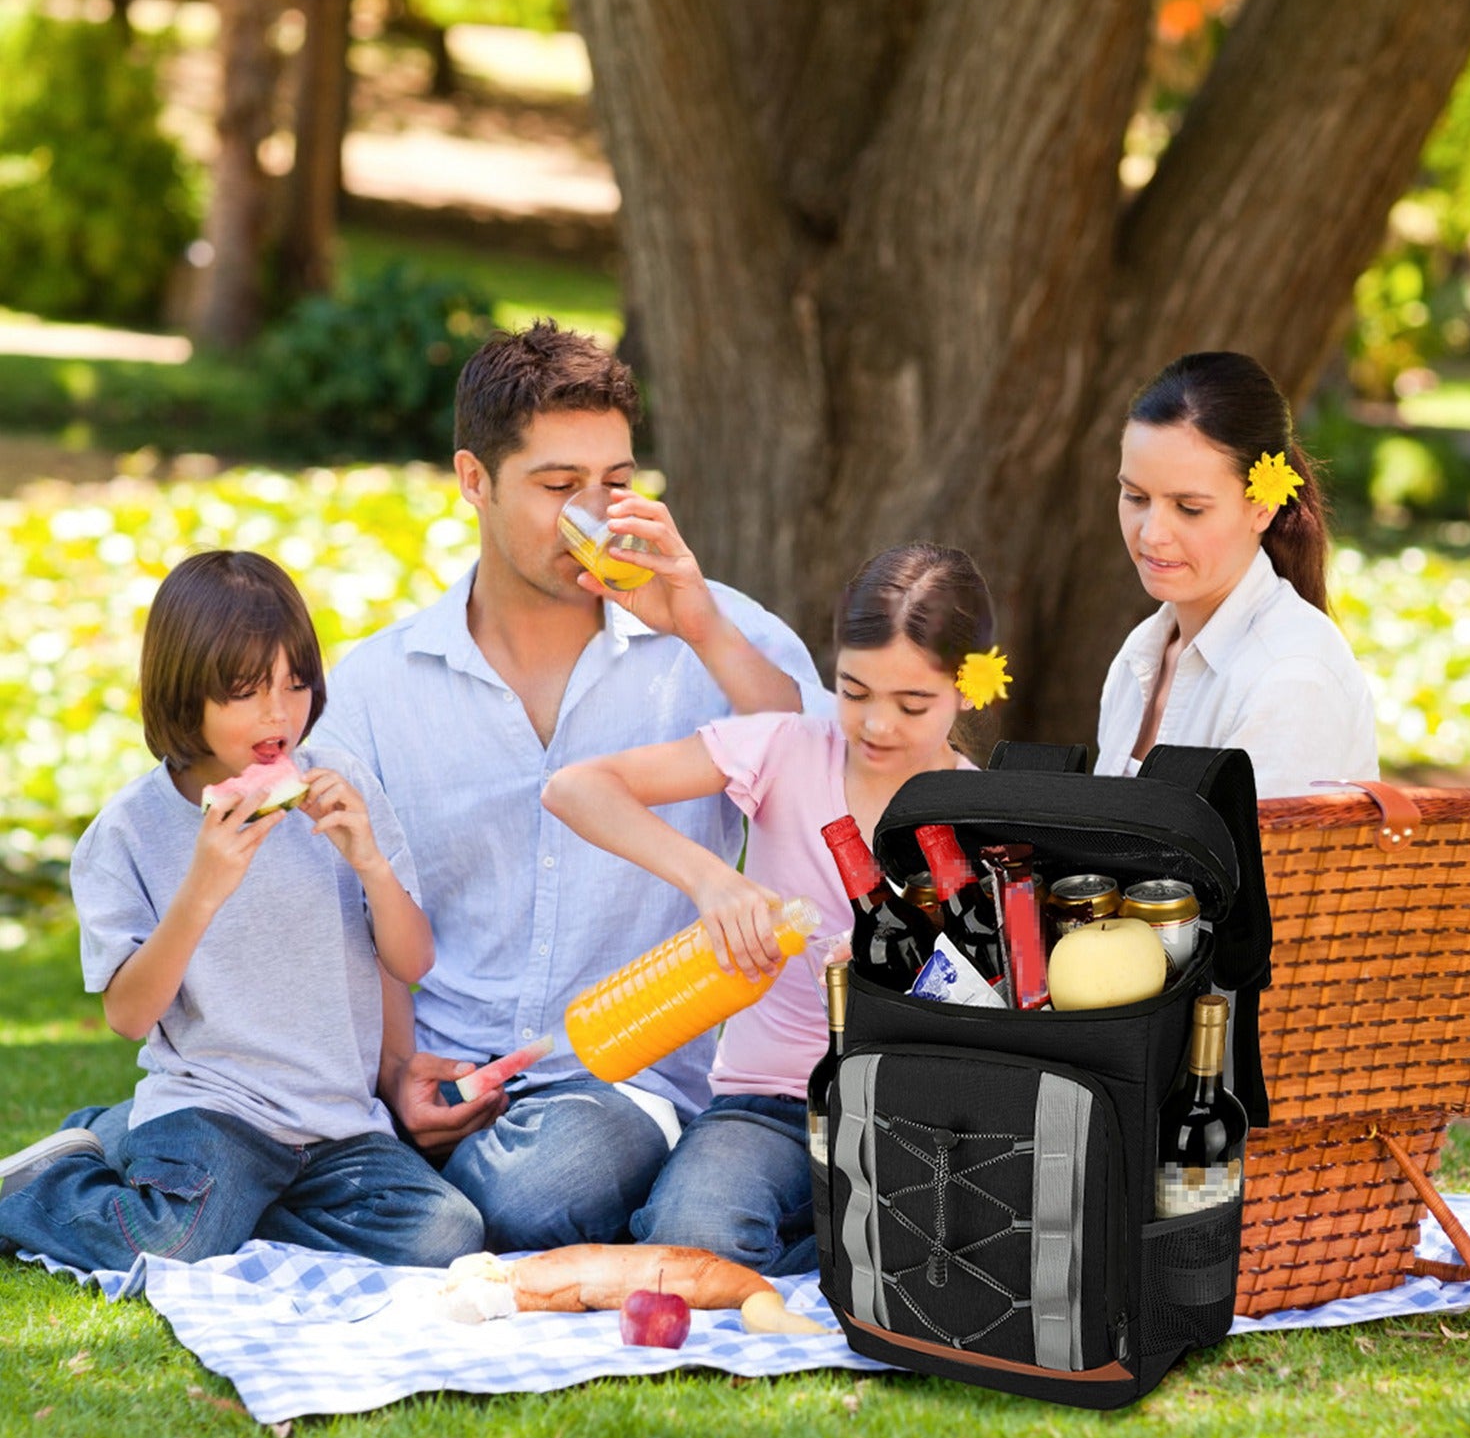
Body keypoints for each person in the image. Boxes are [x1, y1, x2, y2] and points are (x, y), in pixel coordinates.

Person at [313, 320, 829, 1252]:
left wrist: (702, 628)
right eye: (559, 487)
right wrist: (394, 1072)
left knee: (536, 1195)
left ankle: (412, 1201)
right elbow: (348, 905)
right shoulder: (377, 686)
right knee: (424, 1167)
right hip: (448, 1063)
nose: (595, 517)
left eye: (618, 484)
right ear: (474, 479)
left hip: (627, 1077)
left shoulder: (717, 634)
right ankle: (408, 1184)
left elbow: (833, 769)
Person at [0, 552, 483, 1270]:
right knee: (168, 1242)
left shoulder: (342, 784)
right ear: (183, 693)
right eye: (246, 691)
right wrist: (201, 890)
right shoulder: (128, 832)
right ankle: (47, 1184)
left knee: (445, 1234)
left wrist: (371, 863)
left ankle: (203, 1196)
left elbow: (412, 960)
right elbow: (129, 1016)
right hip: (214, 1111)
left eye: (296, 684)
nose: (280, 714)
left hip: (338, 1124)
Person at [541, 543, 1005, 1272]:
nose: (876, 725)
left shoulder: (989, 819)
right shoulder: (786, 750)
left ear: (969, 690)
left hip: (916, 1113)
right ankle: (834, 1241)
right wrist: (711, 882)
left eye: (912, 703)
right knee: (693, 1230)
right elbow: (574, 788)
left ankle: (838, 1242)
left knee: (958, 1250)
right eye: (854, 692)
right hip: (772, 1104)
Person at [1095, 351, 1378, 798]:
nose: (1151, 534)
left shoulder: (1292, 678)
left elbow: (1268, 868)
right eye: (1135, 497)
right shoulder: (1140, 655)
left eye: (1189, 508)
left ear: (1263, 505)